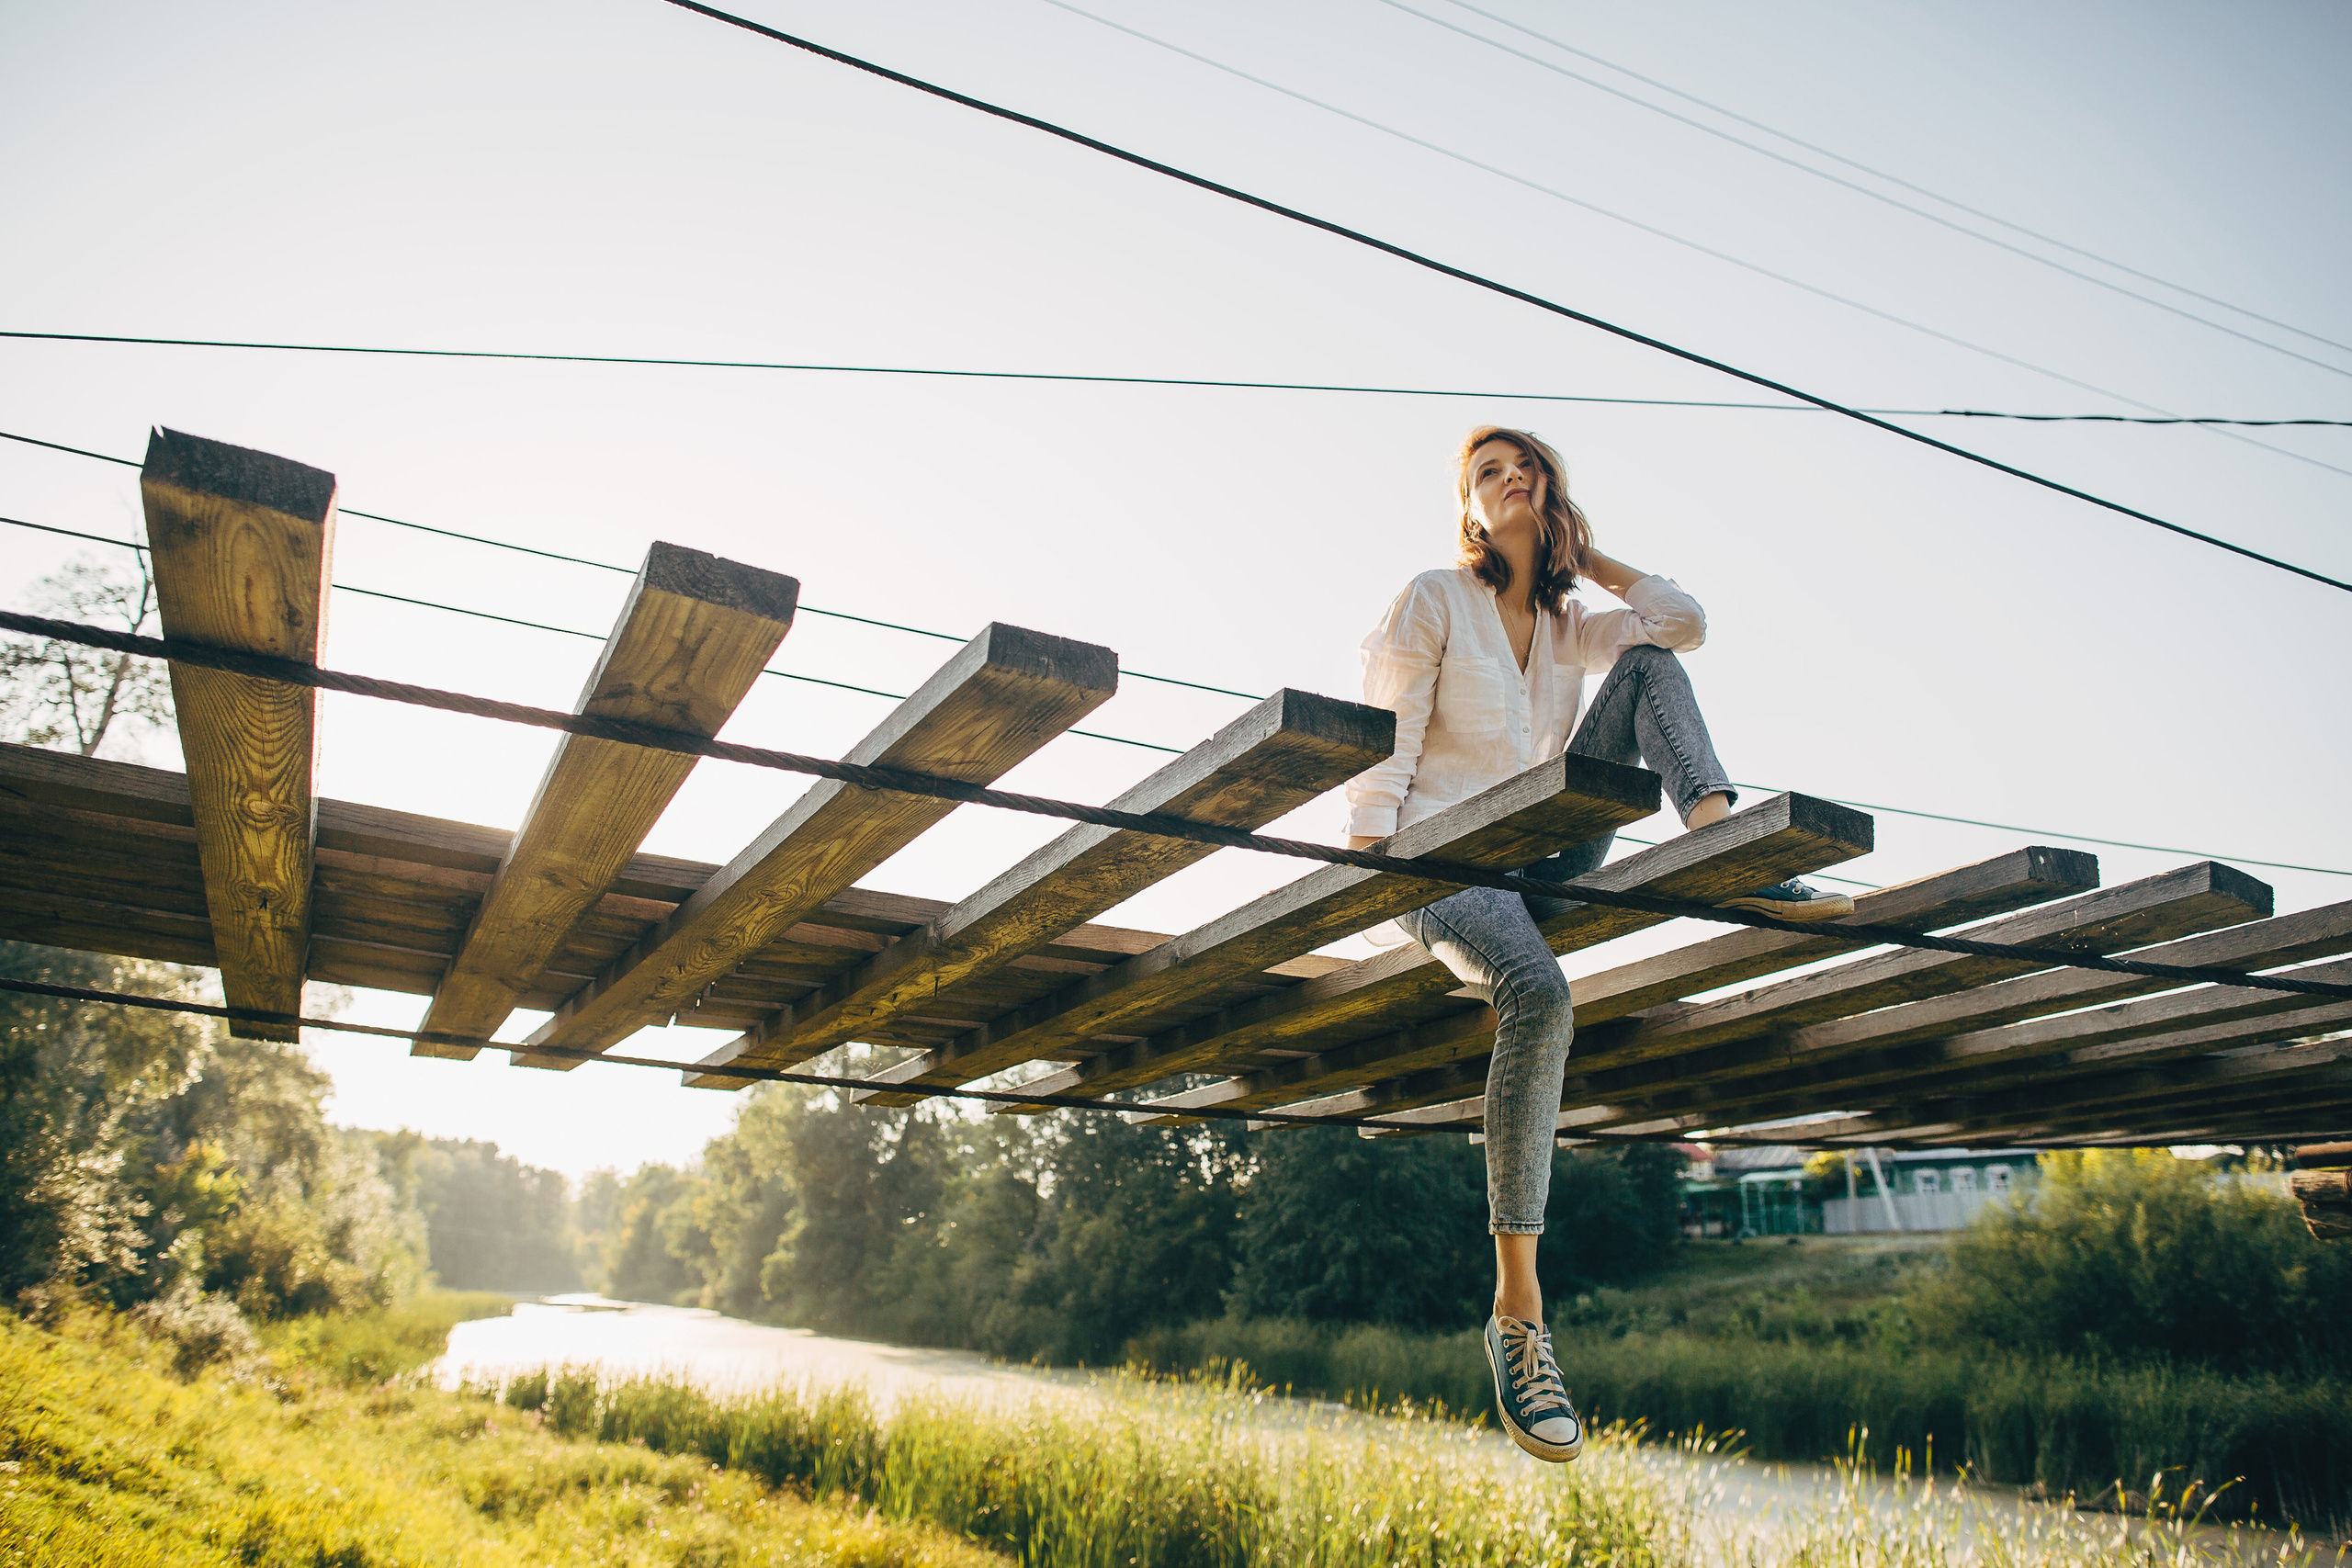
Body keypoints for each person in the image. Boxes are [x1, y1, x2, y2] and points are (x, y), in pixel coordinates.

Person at [1341, 425, 1852, 1462]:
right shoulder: (1434, 597)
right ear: (1468, 510)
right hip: (1444, 862)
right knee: (1542, 996)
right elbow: (1386, 745)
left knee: (1652, 657)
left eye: (1526, 467)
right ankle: (1519, 1315)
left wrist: (1587, 550)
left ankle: (1718, 838)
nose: (1510, 479)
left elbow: (1680, 623)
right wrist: (1372, 871)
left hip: (1542, 851)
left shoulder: (1571, 623)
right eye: (1488, 473)